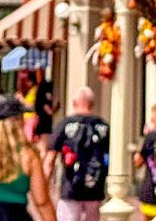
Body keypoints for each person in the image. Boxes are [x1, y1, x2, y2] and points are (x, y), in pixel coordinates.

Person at [45, 88, 108, 221]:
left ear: (74, 102)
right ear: (92, 104)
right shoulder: (103, 126)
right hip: (95, 186)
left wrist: (45, 182)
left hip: (71, 186)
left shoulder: (66, 124)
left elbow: (50, 158)